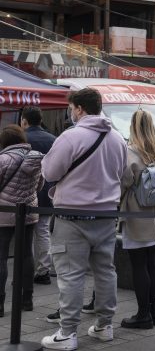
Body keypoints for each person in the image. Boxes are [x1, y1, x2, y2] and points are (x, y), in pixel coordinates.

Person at [41, 88, 127, 350]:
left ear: (79, 108)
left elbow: (50, 172)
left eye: (71, 108)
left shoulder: (71, 137)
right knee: (105, 272)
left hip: (72, 217)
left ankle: (67, 333)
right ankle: (104, 326)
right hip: (106, 216)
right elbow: (121, 173)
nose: (71, 112)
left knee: (71, 275)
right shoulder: (117, 138)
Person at [119, 110, 155, 330]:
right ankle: (154, 312)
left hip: (136, 214)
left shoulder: (130, 152)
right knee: (151, 263)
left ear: (132, 126)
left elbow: (123, 181)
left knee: (138, 265)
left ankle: (143, 314)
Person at [0, 125, 43, 316]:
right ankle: (27, 300)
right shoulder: (35, 157)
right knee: (26, 254)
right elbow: (40, 184)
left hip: (4, 213)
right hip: (29, 211)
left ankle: (0, 305)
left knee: (1, 257)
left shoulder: (3, 159)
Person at [21, 107, 57, 286]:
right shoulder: (53, 139)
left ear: (24, 121)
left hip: (25, 193)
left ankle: (27, 269)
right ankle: (44, 269)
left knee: (24, 232)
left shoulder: (22, 139)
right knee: (43, 231)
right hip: (48, 193)